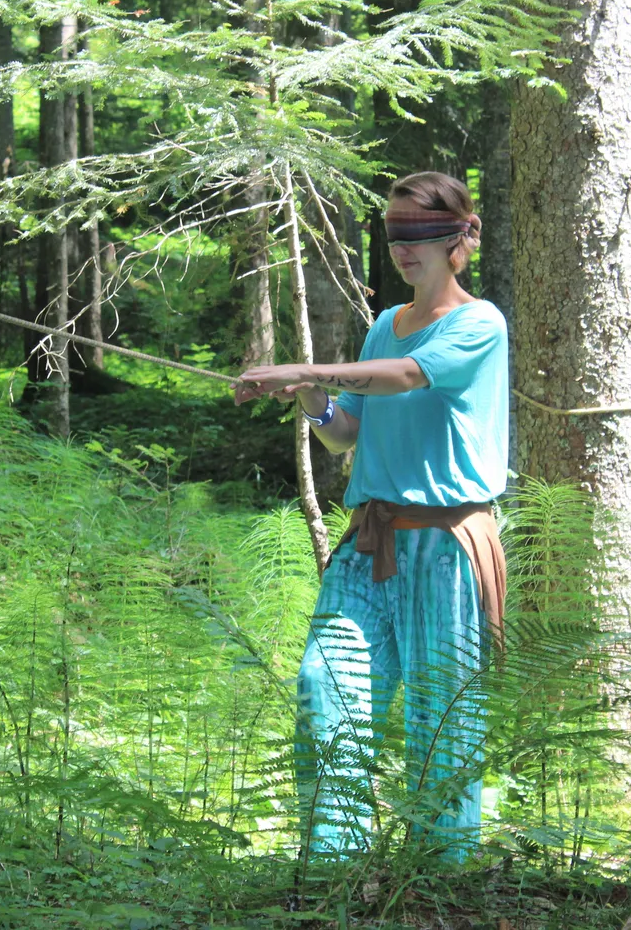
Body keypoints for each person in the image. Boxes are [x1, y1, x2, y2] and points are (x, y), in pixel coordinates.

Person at [231, 171, 509, 859]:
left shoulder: (479, 323)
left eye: (418, 233)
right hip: (367, 542)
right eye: (394, 234)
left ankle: (440, 881)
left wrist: (306, 366)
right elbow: (347, 430)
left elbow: (409, 376)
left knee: (440, 723)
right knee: (326, 687)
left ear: (457, 237)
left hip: (445, 547)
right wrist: (311, 399)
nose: (404, 248)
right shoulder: (385, 324)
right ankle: (334, 868)